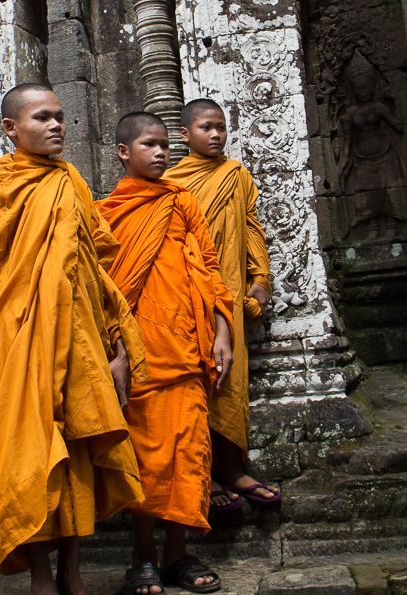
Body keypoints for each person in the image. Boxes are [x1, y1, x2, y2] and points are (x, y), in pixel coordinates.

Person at [0, 83, 146, 594]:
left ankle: (71, 567)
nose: (56, 126)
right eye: (42, 117)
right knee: (27, 452)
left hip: (78, 333)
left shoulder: (69, 179)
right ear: (10, 129)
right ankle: (41, 575)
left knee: (76, 448)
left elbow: (97, 260)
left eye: (60, 117)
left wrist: (114, 342)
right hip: (19, 335)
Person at [96, 111, 236, 595]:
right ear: (123, 153)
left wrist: (223, 330)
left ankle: (176, 553)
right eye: (149, 145)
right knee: (145, 460)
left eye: (164, 146)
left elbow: (211, 267)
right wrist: (116, 351)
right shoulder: (106, 213)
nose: (160, 153)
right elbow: (105, 291)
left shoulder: (182, 202)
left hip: (189, 348)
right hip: (139, 356)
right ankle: (142, 556)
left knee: (189, 455)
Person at [164, 99, 281, 511]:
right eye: (206, 128)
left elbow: (251, 225)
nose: (216, 135)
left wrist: (260, 278)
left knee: (229, 381)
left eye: (221, 128)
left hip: (228, 289)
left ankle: (232, 467)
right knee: (195, 378)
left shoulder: (236, 175)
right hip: (186, 291)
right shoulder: (172, 182)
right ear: (185, 135)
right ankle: (202, 472)